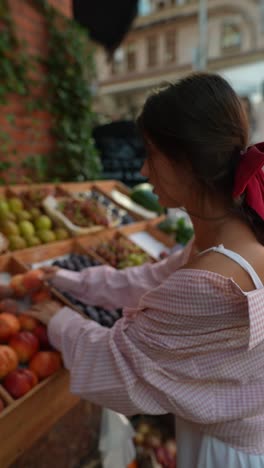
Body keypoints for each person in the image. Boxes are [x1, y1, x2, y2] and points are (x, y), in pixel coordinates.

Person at [14, 73, 264, 467]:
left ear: (185, 161)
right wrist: (65, 280)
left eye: (151, 154)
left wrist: (58, 319)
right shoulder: (234, 237)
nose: (144, 171)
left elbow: (121, 368)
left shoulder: (210, 280)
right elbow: (148, 280)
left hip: (224, 455)